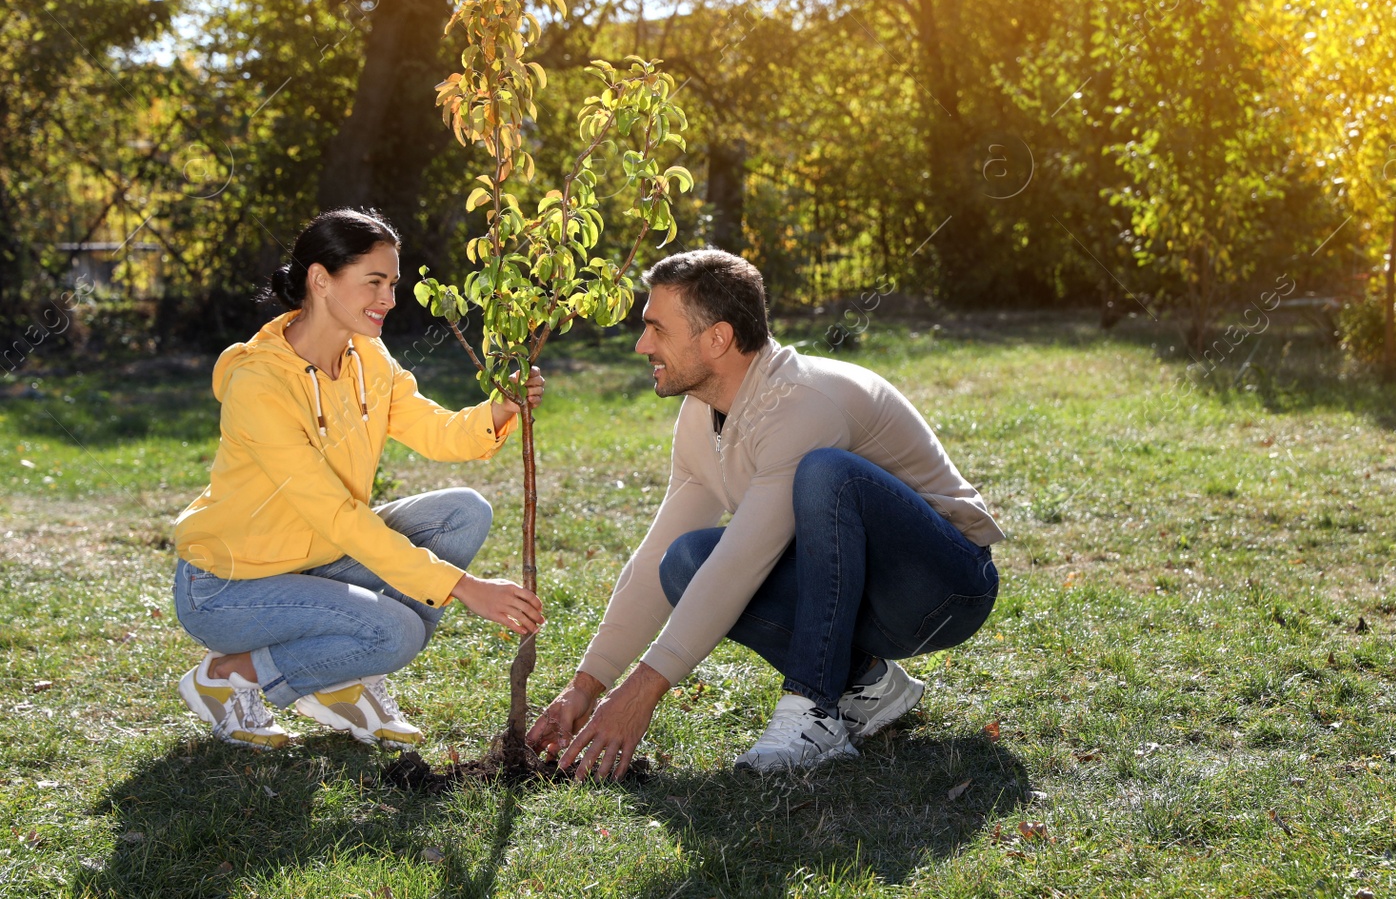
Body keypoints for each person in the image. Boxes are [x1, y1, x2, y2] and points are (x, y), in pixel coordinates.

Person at [528, 249, 1003, 776]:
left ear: (718, 338)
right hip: (866, 597)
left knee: (827, 474)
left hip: (944, 588)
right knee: (682, 560)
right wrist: (586, 686)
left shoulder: (802, 401)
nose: (643, 346)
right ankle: (866, 682)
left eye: (656, 329)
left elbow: (740, 563)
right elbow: (659, 553)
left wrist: (641, 693)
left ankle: (813, 711)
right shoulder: (700, 415)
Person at [172, 208, 545, 749]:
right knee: (395, 633)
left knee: (463, 512)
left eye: (392, 283)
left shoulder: (367, 357)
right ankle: (229, 678)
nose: (390, 299)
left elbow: (434, 430)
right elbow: (335, 515)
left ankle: (341, 679)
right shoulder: (258, 383)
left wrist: (499, 410)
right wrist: (464, 589)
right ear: (321, 279)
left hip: (316, 559)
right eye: (375, 281)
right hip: (228, 586)